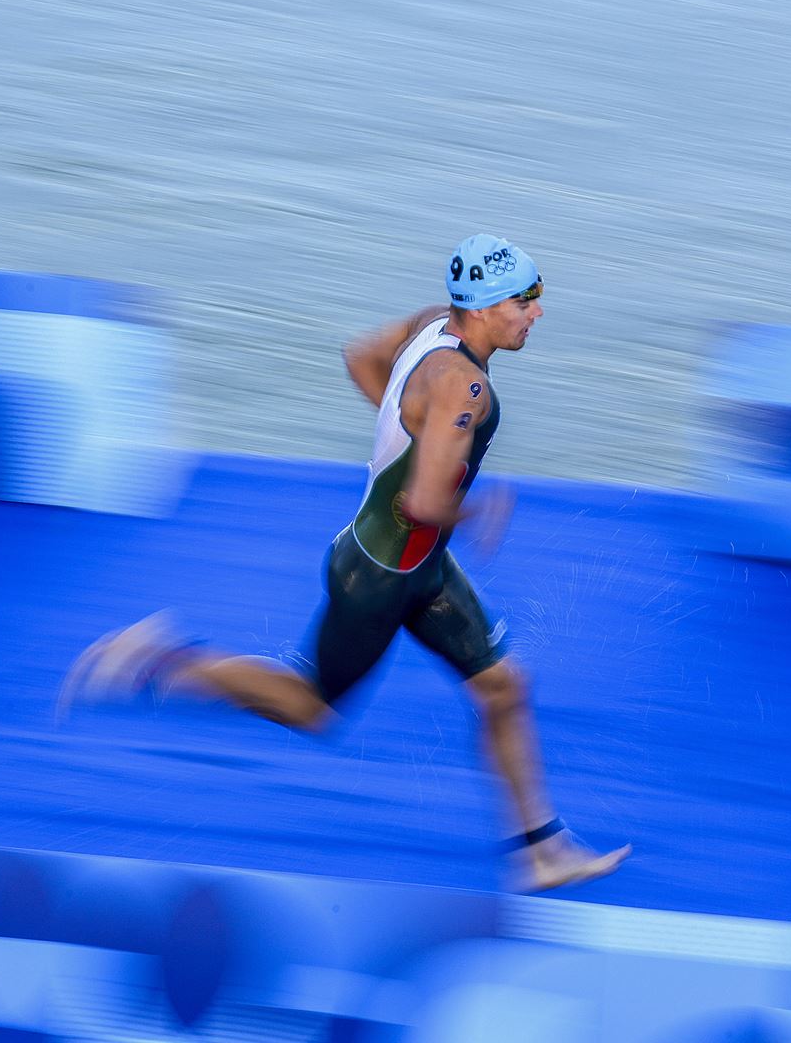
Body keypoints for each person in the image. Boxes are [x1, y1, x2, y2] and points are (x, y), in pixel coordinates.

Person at [58, 234, 630, 893]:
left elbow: (361, 358)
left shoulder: (431, 326)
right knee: (309, 707)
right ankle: (155, 661)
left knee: (504, 688)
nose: (537, 312)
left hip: (416, 565)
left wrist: (407, 430)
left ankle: (540, 851)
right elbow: (423, 502)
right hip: (380, 577)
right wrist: (481, 508)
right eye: (525, 300)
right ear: (485, 307)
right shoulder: (464, 387)